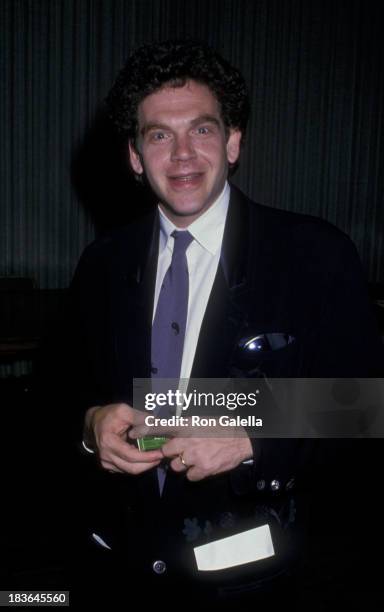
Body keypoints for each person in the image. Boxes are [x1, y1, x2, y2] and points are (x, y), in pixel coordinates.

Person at [68, 40, 383, 607]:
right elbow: (58, 389)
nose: (183, 154)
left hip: (251, 578)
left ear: (234, 141)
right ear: (135, 156)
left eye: (203, 130)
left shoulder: (316, 254)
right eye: (160, 135)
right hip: (121, 568)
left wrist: (250, 433)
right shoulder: (102, 264)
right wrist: (92, 423)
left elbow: (365, 406)